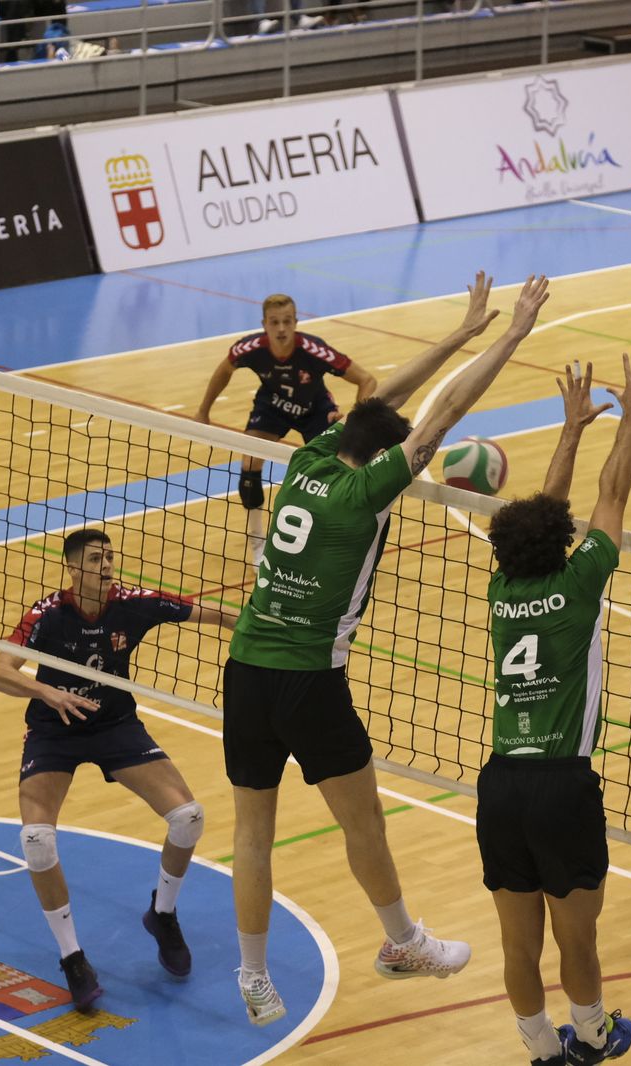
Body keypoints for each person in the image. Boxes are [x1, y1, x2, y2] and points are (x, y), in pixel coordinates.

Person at [221, 271, 532, 1027]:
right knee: (363, 822)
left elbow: (380, 402)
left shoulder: (309, 462)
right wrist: (511, 335)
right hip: (309, 682)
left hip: (246, 667)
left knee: (252, 833)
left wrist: (461, 332)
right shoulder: (366, 494)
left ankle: (254, 977)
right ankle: (402, 943)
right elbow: (442, 415)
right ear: (389, 460)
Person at [480, 354, 631, 1065]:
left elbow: (545, 514)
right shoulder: (581, 581)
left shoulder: (501, 593)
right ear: (561, 544)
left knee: (517, 945)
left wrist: (570, 430)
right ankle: (591, 1034)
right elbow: (611, 494)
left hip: (500, 783)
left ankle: (540, 1049)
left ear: (505, 551)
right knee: (576, 939)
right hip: (562, 786)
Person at [0, 528, 236, 1011]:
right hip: (55, 729)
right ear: (73, 568)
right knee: (36, 841)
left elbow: (215, 613)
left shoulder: (133, 604)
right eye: (96, 559)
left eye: (109, 557)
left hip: (115, 726)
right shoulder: (46, 615)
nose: (106, 566)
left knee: (189, 817)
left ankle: (162, 914)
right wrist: (47, 692)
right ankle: (72, 958)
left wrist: (261, 627)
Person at [195, 293, 377, 564]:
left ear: (295, 323)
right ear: (264, 324)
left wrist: (351, 421)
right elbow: (224, 370)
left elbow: (367, 380)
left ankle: (336, 535)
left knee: (336, 471)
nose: (281, 329)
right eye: (274, 322)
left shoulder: (314, 350)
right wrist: (203, 411)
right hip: (273, 405)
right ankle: (257, 542)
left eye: (287, 321)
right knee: (250, 462)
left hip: (314, 409)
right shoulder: (250, 348)